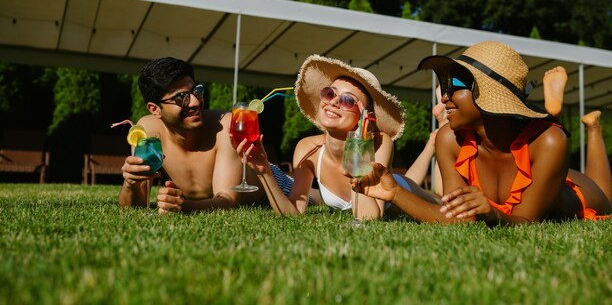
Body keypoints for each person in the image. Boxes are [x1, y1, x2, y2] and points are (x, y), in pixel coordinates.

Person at [357, 41, 612, 225]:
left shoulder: (550, 141)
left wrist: (493, 214)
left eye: (454, 84)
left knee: (606, 198)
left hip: (577, 195)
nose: (444, 96)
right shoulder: (450, 140)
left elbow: (527, 222)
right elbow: (454, 216)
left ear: (491, 95)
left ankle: (593, 128)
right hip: (537, 166)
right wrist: (395, 193)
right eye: (444, 85)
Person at [239, 55, 438, 219]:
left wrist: (359, 144)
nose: (333, 102)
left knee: (442, 203)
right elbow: (293, 214)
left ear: (365, 116)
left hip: (405, 192)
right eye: (329, 93)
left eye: (347, 100)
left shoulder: (379, 142)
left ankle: (433, 147)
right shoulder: (306, 149)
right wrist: (264, 171)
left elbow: (368, 217)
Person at [118, 57, 264, 213]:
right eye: (181, 98)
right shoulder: (149, 132)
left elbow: (229, 200)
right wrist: (130, 183)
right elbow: (135, 206)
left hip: (276, 190)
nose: (195, 102)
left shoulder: (225, 126)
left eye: (196, 91)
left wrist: (183, 206)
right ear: (155, 109)